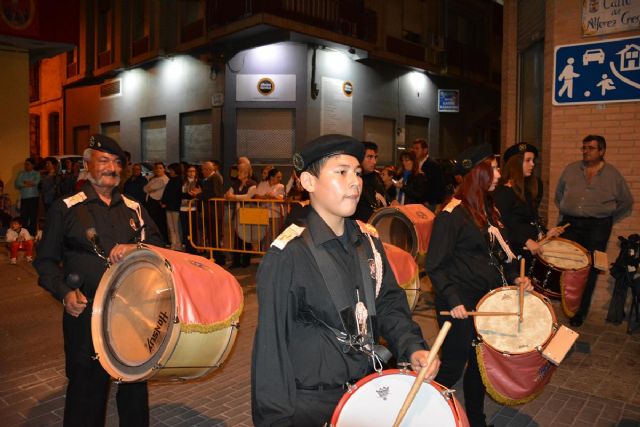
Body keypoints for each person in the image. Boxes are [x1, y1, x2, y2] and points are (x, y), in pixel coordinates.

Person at [251, 134, 440, 426]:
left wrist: (412, 346)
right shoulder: (287, 255)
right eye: (341, 172)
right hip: (311, 406)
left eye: (357, 172)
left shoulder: (368, 242)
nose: (355, 181)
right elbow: (270, 350)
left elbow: (388, 302)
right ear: (309, 183)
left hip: (364, 394)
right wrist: (275, 419)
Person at [33, 134, 163, 426]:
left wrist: (137, 247)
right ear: (86, 165)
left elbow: (161, 248)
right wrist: (64, 293)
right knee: (86, 390)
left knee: (134, 389)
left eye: (117, 162)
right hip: (86, 315)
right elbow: (45, 261)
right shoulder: (66, 208)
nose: (112, 168)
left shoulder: (134, 208)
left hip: (133, 315)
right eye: (103, 160)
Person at [425, 143, 532, 427]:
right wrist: (453, 299)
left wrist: (515, 278)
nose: (498, 173)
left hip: (487, 301)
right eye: (494, 168)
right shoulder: (452, 213)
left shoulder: (487, 208)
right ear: (478, 173)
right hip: (459, 303)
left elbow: (498, 253)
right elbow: (435, 264)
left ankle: (477, 421)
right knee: (452, 367)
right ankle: (423, 413)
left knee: (480, 365)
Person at [555, 134, 633, 327]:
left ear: (601, 151)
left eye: (590, 148)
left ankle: (580, 313)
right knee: (569, 266)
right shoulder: (571, 170)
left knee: (589, 269)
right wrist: (568, 211)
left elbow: (626, 201)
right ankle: (567, 305)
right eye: (584, 148)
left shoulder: (612, 175)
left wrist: (607, 219)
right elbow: (559, 196)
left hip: (598, 227)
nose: (586, 151)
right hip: (571, 224)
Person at [493, 143, 564, 266]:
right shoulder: (504, 191)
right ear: (516, 164)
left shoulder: (525, 190)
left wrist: (546, 233)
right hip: (515, 254)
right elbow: (499, 226)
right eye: (528, 160)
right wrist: (525, 241)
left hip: (529, 252)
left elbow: (529, 221)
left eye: (533, 160)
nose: (533, 164)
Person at [193, 160, 226, 265]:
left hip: (214, 211)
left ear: (208, 170)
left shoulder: (215, 178)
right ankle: (213, 255)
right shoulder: (207, 179)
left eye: (203, 169)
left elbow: (214, 194)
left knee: (215, 235)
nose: (202, 171)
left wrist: (199, 195)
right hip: (209, 211)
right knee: (211, 235)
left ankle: (217, 257)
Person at [225, 163, 257, 268]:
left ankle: (246, 261)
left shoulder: (252, 183)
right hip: (238, 213)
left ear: (246, 173)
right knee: (237, 238)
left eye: (240, 171)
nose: (238, 173)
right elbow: (227, 194)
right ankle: (236, 261)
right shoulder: (235, 183)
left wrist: (234, 197)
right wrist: (231, 196)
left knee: (246, 237)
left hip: (248, 213)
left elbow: (248, 197)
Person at [352, 141, 385, 222]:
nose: (374, 162)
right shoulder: (352, 179)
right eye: (369, 157)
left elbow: (385, 199)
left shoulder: (376, 177)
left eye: (375, 157)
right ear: (360, 158)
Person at [412, 138, 446, 211]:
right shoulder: (414, 164)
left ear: (425, 150)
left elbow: (439, 185)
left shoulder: (432, 165)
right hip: (416, 202)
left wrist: (430, 201)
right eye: (413, 148)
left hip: (429, 204)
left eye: (417, 148)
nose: (414, 151)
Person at [143, 162, 169, 243]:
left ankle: (162, 240)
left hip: (157, 202)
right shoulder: (154, 178)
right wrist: (149, 188)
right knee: (152, 222)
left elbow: (150, 188)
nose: (158, 170)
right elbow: (144, 189)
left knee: (159, 223)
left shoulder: (164, 179)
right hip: (150, 202)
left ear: (164, 169)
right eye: (156, 168)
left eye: (160, 168)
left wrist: (149, 188)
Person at [15, 158, 41, 235]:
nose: (26, 166)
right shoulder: (21, 173)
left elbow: (35, 183)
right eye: (25, 164)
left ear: (32, 165)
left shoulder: (36, 173)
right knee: (24, 217)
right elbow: (17, 184)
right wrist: (27, 183)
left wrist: (24, 182)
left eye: (28, 164)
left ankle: (32, 234)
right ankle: (24, 234)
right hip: (24, 198)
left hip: (34, 198)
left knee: (33, 217)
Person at [161, 163, 184, 250]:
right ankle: (173, 243)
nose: (170, 172)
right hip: (169, 206)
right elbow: (166, 192)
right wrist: (163, 201)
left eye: (171, 170)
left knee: (176, 227)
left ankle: (178, 244)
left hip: (175, 206)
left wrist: (166, 201)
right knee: (171, 227)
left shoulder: (179, 180)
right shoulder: (171, 180)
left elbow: (175, 194)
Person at [180, 164, 201, 254]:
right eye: (190, 171)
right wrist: (188, 194)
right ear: (186, 172)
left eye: (194, 171)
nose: (192, 173)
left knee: (194, 229)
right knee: (185, 229)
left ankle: (194, 248)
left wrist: (189, 194)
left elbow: (196, 193)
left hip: (193, 208)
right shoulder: (182, 182)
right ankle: (187, 248)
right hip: (183, 208)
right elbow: (181, 194)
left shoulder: (198, 182)